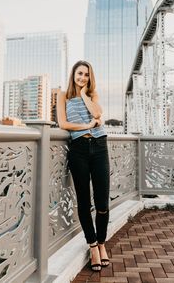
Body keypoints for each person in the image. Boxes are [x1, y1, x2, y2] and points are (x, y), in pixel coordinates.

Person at [57, 60, 110, 272]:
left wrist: (85, 95)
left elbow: (97, 114)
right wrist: (86, 125)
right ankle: (93, 246)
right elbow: (63, 124)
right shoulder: (63, 95)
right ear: (73, 74)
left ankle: (102, 242)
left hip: (99, 146)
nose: (82, 78)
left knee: (102, 201)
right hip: (78, 149)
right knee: (84, 201)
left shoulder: (92, 94)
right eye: (79, 74)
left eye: (86, 75)